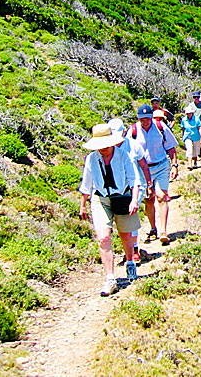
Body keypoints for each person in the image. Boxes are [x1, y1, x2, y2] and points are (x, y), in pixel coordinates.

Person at [79, 123, 142, 296]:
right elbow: (86, 184)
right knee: (103, 237)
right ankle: (110, 278)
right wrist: (82, 204)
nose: (103, 149)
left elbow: (134, 179)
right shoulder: (91, 159)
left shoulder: (124, 156)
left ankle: (130, 263)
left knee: (125, 234)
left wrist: (134, 200)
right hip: (101, 199)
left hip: (122, 197)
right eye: (100, 146)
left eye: (106, 146)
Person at [127, 104, 179, 246]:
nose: (145, 122)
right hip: (142, 170)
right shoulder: (133, 131)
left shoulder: (160, 127)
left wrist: (174, 165)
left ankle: (163, 231)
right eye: (142, 119)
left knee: (161, 196)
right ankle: (153, 227)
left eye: (147, 119)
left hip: (161, 165)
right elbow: (126, 152)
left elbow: (171, 147)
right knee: (148, 199)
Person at [108, 118, 151, 263]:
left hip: (135, 186)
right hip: (116, 189)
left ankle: (134, 249)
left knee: (130, 213)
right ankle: (128, 248)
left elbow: (143, 165)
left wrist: (148, 182)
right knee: (120, 219)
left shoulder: (134, 146)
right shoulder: (107, 148)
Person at [180, 104, 201, 169]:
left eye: (190, 113)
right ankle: (189, 163)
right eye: (187, 113)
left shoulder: (196, 119)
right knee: (189, 149)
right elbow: (183, 128)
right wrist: (182, 136)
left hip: (196, 136)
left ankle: (195, 162)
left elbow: (199, 127)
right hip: (187, 136)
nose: (189, 115)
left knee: (195, 150)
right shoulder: (184, 120)